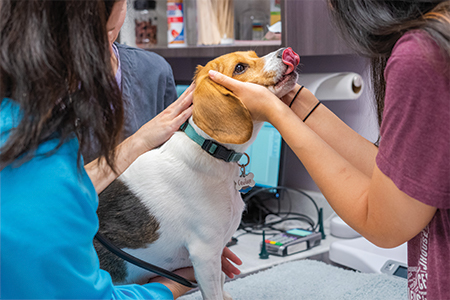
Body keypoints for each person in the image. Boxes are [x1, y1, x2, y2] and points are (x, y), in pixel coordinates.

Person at [209, 0, 450, 298]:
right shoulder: (439, 35)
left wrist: (278, 115)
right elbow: (398, 175)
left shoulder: (422, 55)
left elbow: (385, 225)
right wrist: (299, 104)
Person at [0, 0, 240, 299]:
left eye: (113, 32)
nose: (106, 56)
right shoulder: (39, 156)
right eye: (101, 37)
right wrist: (168, 287)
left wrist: (188, 234)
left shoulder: (22, 128)